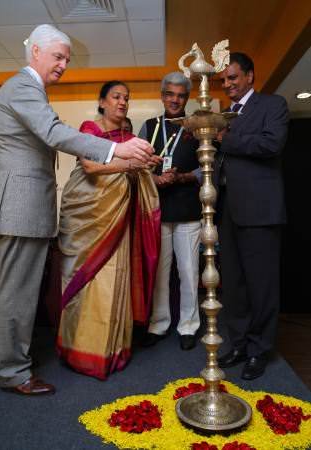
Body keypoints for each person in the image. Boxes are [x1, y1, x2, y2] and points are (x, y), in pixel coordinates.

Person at [0, 24, 154, 396]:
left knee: (17, 293)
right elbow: (54, 132)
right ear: (35, 52)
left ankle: (12, 363)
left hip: (28, 208)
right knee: (15, 295)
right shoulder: (22, 86)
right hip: (20, 207)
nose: (64, 64)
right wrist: (114, 149)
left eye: (67, 58)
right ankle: (12, 373)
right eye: (58, 56)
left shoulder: (30, 90)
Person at [57, 81, 161, 380]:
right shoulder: (89, 128)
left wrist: (145, 165)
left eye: (126, 98)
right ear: (102, 101)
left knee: (116, 282)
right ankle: (80, 351)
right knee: (88, 285)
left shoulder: (129, 138)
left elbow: (133, 171)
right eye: (116, 97)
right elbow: (90, 166)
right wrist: (130, 163)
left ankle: (113, 349)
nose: (122, 102)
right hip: (89, 223)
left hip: (119, 221)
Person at [214, 52, 289, 380]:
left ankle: (260, 350)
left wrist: (226, 140)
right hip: (227, 210)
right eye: (224, 80)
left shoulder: (273, 106)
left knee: (262, 286)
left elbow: (272, 144)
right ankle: (240, 344)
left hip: (260, 211)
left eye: (232, 78)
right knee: (233, 285)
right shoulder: (223, 115)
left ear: (249, 76)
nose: (227, 84)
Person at [140, 72, 201, 351]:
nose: (175, 100)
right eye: (170, 94)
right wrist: (155, 179)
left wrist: (183, 177)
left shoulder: (197, 127)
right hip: (157, 210)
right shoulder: (149, 125)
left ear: (187, 98)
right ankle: (159, 324)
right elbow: (138, 168)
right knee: (160, 272)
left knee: (188, 272)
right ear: (163, 96)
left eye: (181, 95)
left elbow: (210, 169)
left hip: (188, 209)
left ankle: (188, 326)